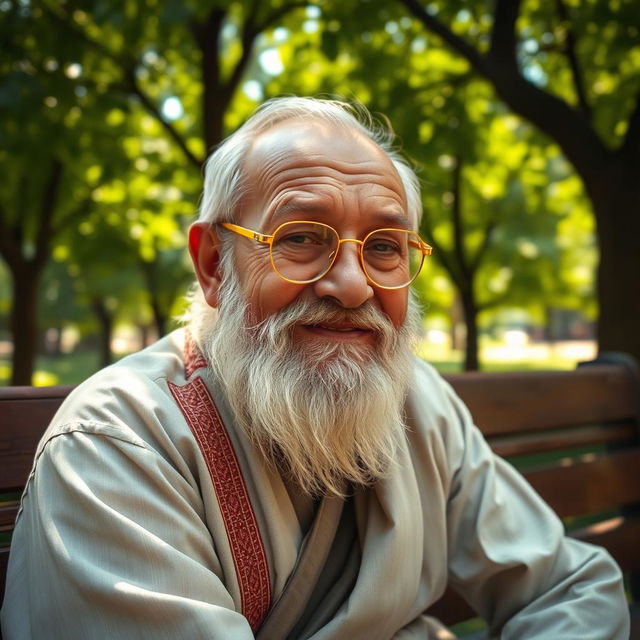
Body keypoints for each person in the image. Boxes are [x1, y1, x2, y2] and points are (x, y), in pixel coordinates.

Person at [1, 97, 629, 639]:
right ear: (216, 264)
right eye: (301, 238)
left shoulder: (418, 402)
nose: (353, 286)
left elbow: (571, 589)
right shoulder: (119, 447)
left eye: (384, 247)